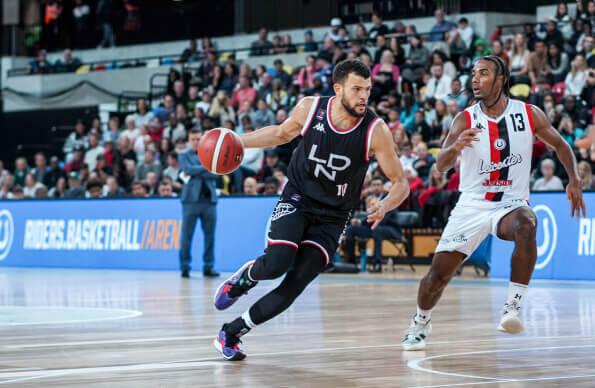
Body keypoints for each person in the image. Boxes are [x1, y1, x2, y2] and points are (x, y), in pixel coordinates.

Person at [212, 59, 409, 361]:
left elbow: (400, 183)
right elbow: (280, 134)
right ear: (338, 88)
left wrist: (384, 205)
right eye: (357, 89)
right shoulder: (311, 108)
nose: (363, 97)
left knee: (295, 285)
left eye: (367, 90)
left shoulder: (375, 130)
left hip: (333, 218)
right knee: (277, 263)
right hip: (298, 199)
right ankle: (245, 278)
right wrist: (239, 141)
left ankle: (233, 332)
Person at [401, 55, 586, 351]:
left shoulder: (528, 113)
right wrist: (455, 147)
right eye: (473, 73)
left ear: (501, 79)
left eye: (483, 73)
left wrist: (574, 179)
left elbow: (561, 146)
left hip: (509, 203)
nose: (475, 79)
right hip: (472, 205)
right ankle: (420, 321)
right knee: (437, 276)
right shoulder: (465, 118)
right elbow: (440, 166)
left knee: (527, 222)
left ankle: (512, 308)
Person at [179, 129, 219, 278]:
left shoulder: (210, 154)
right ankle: (184, 266)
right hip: (190, 201)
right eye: (193, 139)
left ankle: (208, 266)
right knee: (186, 236)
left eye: (198, 139)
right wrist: (207, 167)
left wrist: (199, 170)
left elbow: (216, 173)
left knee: (210, 236)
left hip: (209, 201)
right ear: (189, 141)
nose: (196, 142)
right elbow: (188, 169)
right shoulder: (183, 155)